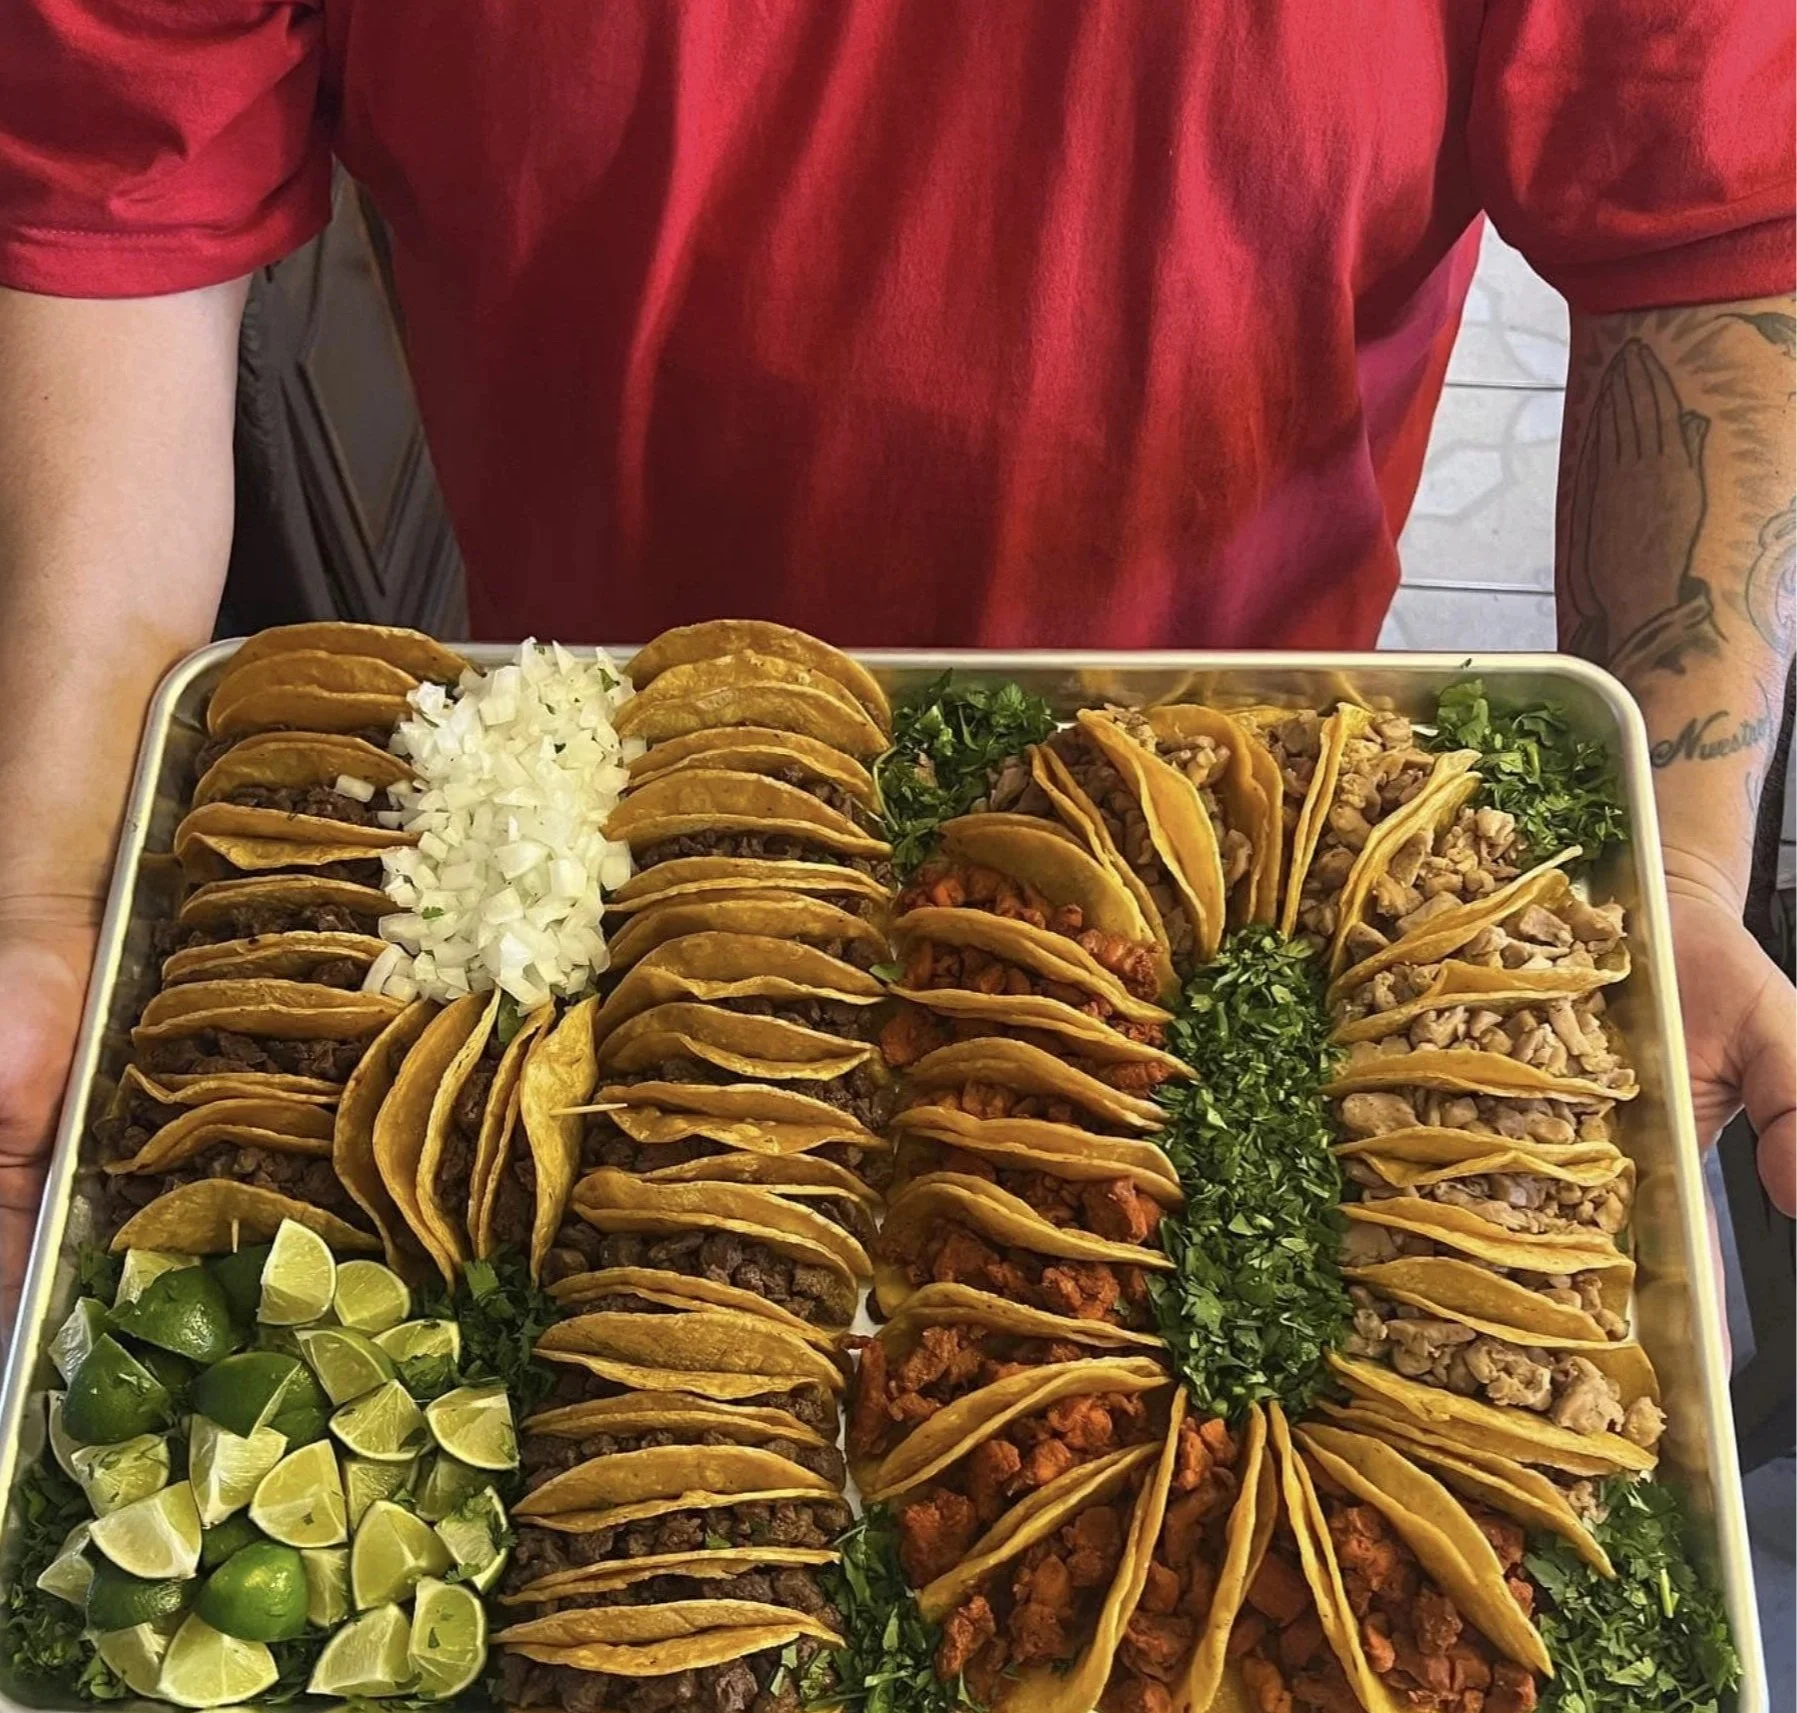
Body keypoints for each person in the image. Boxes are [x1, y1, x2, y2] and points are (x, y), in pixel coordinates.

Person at [0, 3, 1790, 1317]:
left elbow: (1705, 223)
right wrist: (47, 882)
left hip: (1232, 804)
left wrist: (1683, 859)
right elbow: (113, 196)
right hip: (602, 823)